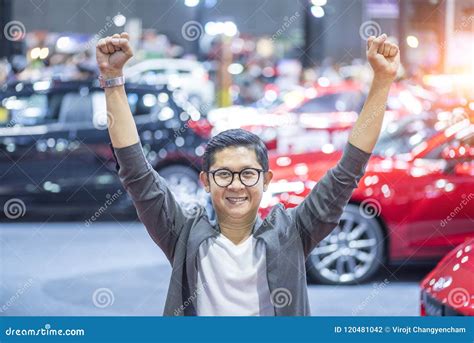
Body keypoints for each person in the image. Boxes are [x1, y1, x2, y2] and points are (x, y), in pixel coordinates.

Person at [96, 32, 400, 316]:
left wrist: (383, 81)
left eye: (248, 174)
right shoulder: (182, 234)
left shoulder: (292, 232)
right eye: (224, 174)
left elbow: (348, 170)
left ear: (266, 180)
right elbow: (136, 171)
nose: (236, 185)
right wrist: (113, 80)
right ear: (205, 181)